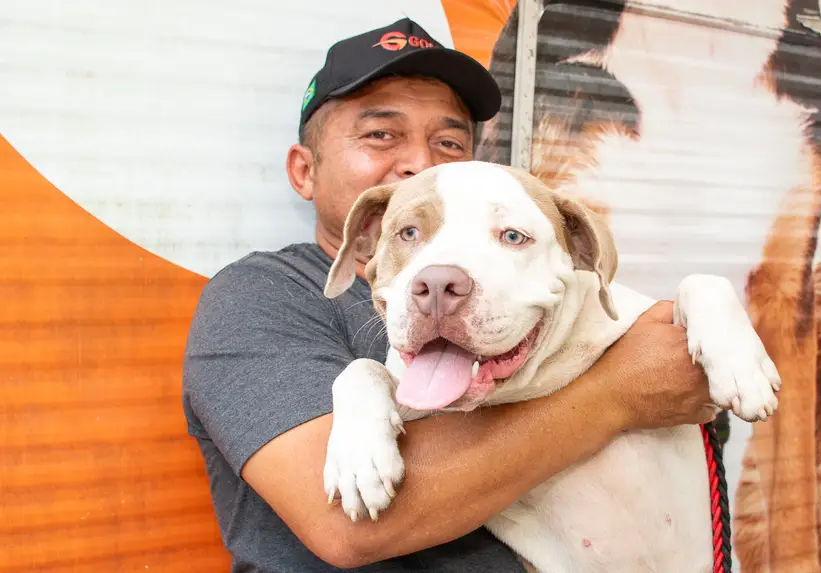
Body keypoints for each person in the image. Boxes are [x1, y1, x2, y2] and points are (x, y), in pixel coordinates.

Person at [182, 17, 717, 573]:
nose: (422, 163)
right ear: (304, 170)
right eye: (380, 134)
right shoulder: (259, 295)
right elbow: (346, 526)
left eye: (450, 143)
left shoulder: (528, 292)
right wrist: (618, 394)